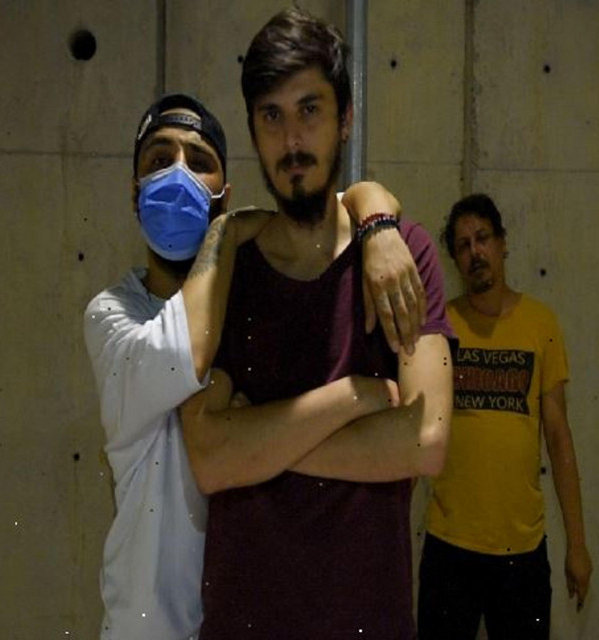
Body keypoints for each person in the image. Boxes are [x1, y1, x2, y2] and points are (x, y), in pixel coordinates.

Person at [84, 93, 428, 640]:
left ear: (223, 192)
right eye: (159, 159)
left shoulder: (251, 296)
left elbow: (335, 207)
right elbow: (186, 353)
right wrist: (357, 396)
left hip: (242, 616)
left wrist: (375, 214)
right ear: (134, 189)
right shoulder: (113, 315)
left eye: (199, 161)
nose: (178, 176)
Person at [179, 8, 454, 639]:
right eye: (271, 116)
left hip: (370, 623)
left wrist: (257, 446)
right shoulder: (229, 271)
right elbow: (210, 461)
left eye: (310, 110)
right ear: (253, 130)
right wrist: (354, 398)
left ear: (345, 118)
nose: (292, 140)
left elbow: (426, 440)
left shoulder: (402, 257)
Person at [417, 193, 593, 640]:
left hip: (521, 550)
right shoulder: (440, 327)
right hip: (450, 545)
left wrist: (577, 545)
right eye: (463, 245)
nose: (475, 252)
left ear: (502, 243)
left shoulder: (541, 324)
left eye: (482, 238)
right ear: (455, 259)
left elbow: (559, 437)